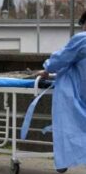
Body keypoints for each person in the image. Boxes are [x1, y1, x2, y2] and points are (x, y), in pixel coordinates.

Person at [37, 12, 86, 170]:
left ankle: (64, 159)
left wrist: (46, 68)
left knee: (67, 121)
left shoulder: (82, 39)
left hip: (77, 89)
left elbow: (61, 58)